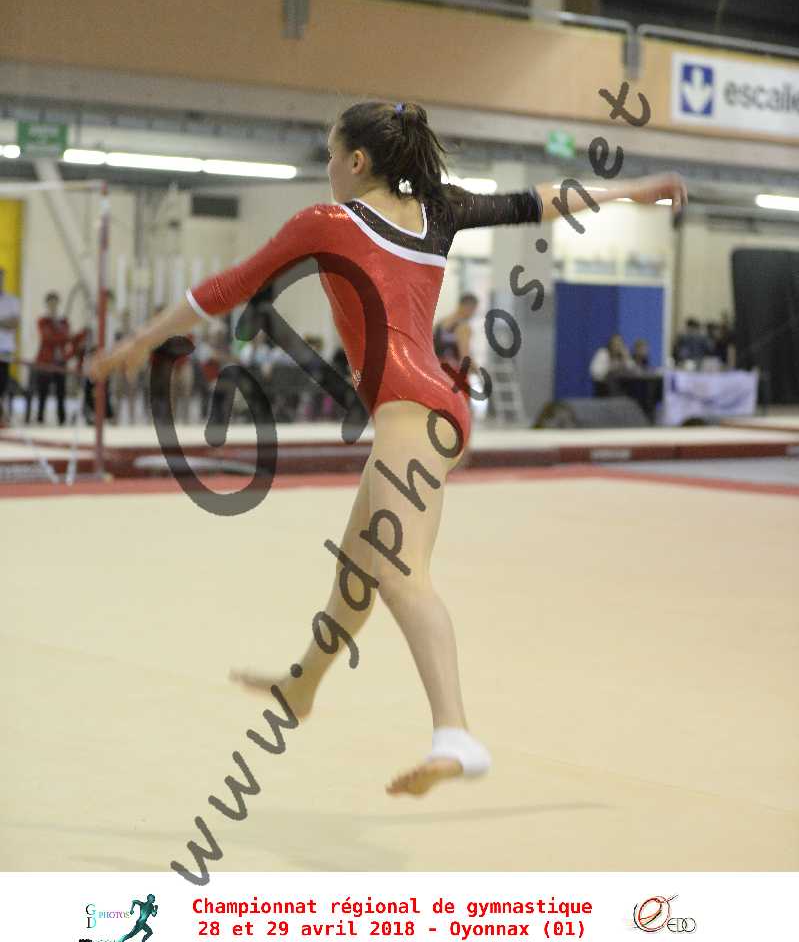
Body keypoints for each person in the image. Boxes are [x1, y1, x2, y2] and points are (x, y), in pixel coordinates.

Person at [87, 99, 687, 797]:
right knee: (359, 571)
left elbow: (227, 287)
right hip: (434, 408)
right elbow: (540, 201)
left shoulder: (328, 222)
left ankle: (455, 734)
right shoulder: (439, 210)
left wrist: (140, 342)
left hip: (411, 411)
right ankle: (303, 686)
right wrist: (632, 191)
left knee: (401, 575)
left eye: (329, 154)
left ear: (356, 161)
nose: (327, 166)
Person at [30, 292, 73, 425]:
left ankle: (62, 419)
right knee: (43, 391)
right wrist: (60, 334)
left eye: (55, 303)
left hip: (60, 361)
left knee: (61, 391)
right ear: (47, 304)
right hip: (45, 360)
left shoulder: (63, 321)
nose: (53, 306)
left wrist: (58, 334)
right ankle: (40, 418)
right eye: (51, 303)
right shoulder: (43, 321)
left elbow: (68, 338)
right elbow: (47, 338)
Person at [433, 292, 479, 375]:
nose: (473, 314)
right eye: (474, 311)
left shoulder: (440, 323)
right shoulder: (464, 327)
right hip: (453, 373)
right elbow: (465, 356)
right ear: (470, 308)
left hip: (436, 370)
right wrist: (478, 372)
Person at [0, 268, 21, 426]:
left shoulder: (12, 301)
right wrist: (4, 322)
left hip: (5, 349)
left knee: (3, 384)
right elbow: (8, 322)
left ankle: (2, 416)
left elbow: (14, 323)